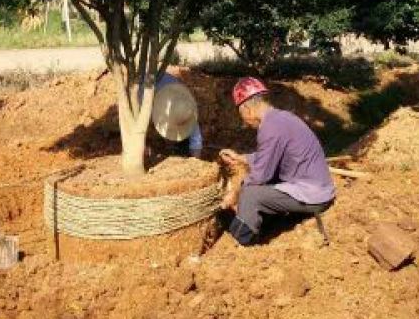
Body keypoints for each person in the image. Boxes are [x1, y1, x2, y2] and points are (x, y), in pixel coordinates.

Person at [217, 76, 335, 246]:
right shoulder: (279, 119)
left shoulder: (270, 128)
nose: (244, 120)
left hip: (313, 195)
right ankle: (267, 225)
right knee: (259, 185)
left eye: (241, 114)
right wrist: (240, 158)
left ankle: (241, 241)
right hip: (318, 188)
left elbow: (259, 176)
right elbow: (269, 155)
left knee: (250, 193)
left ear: (247, 109)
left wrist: (235, 194)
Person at [143, 72, 204, 157]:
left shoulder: (185, 108)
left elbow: (196, 140)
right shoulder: (144, 94)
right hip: (145, 85)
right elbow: (137, 123)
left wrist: (195, 161)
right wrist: (143, 147)